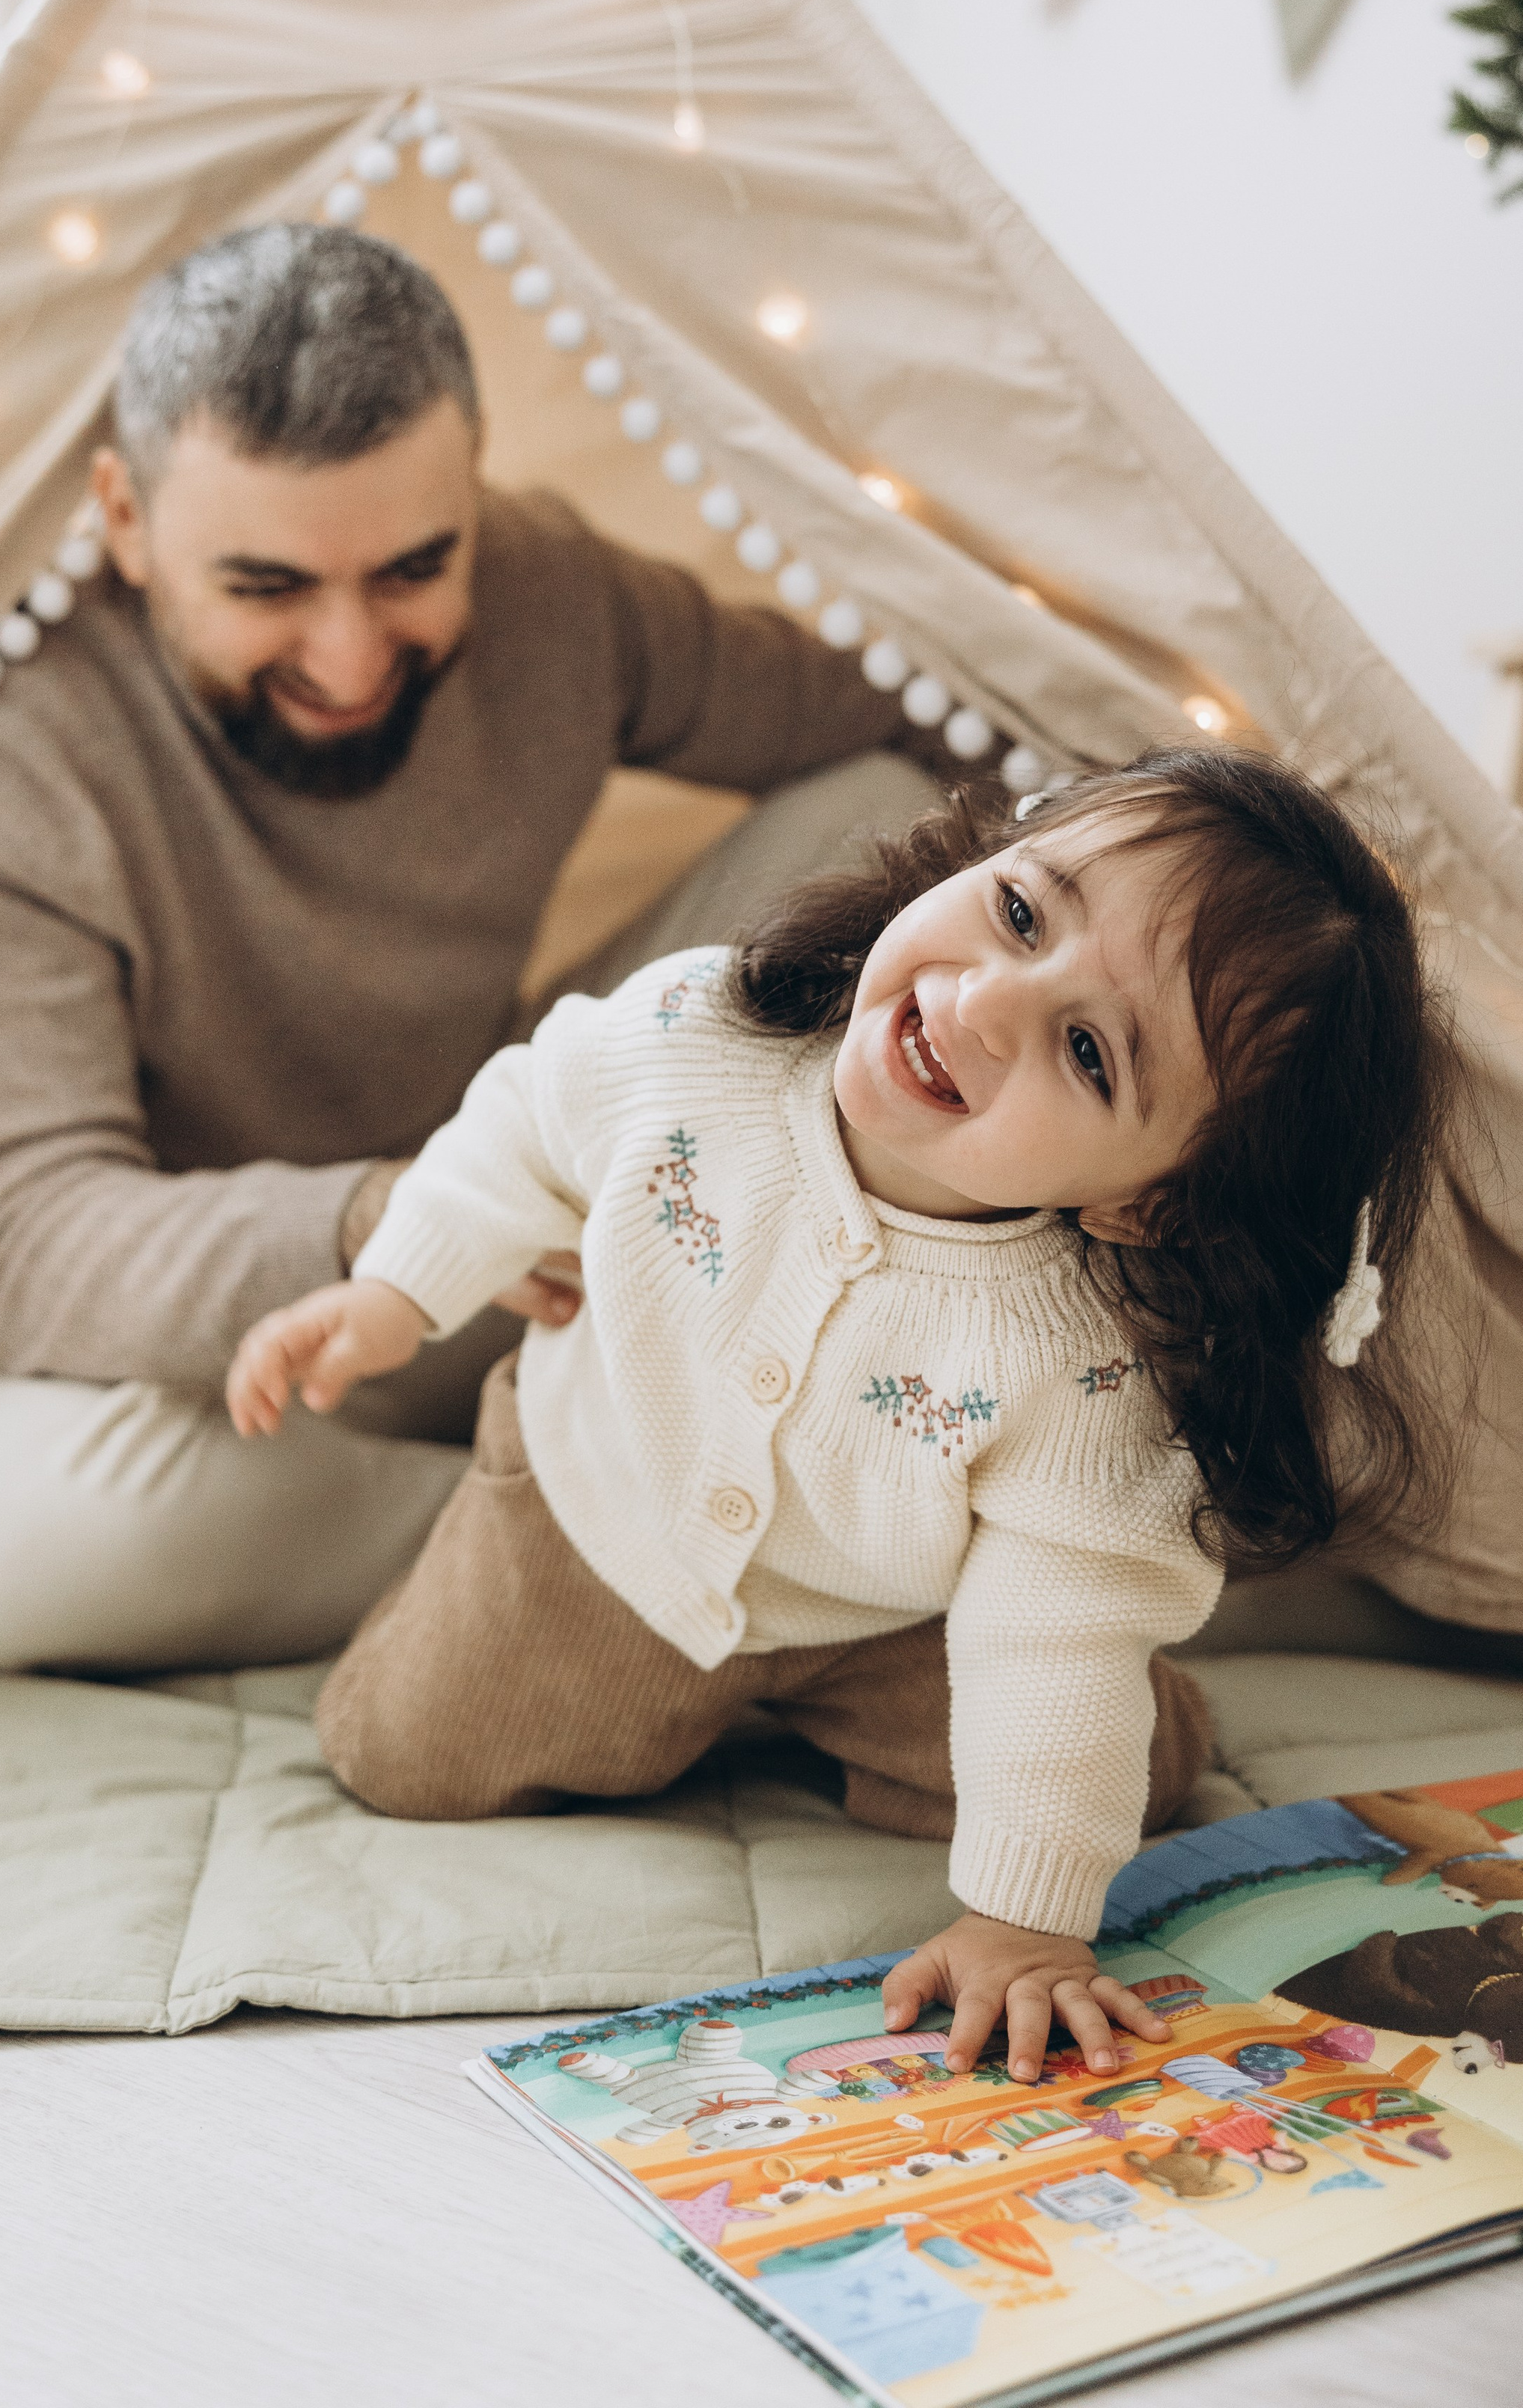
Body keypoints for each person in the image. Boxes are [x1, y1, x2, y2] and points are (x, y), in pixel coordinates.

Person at [230, 747, 1452, 2082]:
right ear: (982, 860)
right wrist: (394, 1295)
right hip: (597, 1517)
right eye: (1023, 914)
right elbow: (527, 1120)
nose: (983, 1005)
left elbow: (1050, 1634)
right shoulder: (698, 1042)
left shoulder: (1096, 1374)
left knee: (1096, 1773)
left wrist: (1023, 1926)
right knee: (399, 1755)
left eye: (1090, 1053)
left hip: (890, 1614)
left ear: (1151, 1200)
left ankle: (1144, 1714)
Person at [0, 221, 957, 1672]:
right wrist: (388, 1218)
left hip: (551, 1239)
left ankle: (690, 1497)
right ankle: (654, 1545)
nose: (347, 658)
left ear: (472, 484)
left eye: (409, 570)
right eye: (263, 587)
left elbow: (886, 711)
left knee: (892, 820)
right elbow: (28, 1246)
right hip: (264, 1345)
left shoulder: (548, 589)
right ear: (123, 520)